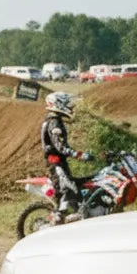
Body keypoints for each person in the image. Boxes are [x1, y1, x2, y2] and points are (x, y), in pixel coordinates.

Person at [40, 92, 93, 222]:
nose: (70, 106)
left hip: (59, 162)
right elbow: (60, 147)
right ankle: (57, 217)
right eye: (67, 104)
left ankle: (76, 215)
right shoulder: (54, 123)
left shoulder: (54, 120)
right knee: (68, 189)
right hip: (55, 162)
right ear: (59, 104)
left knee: (75, 188)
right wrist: (79, 155)